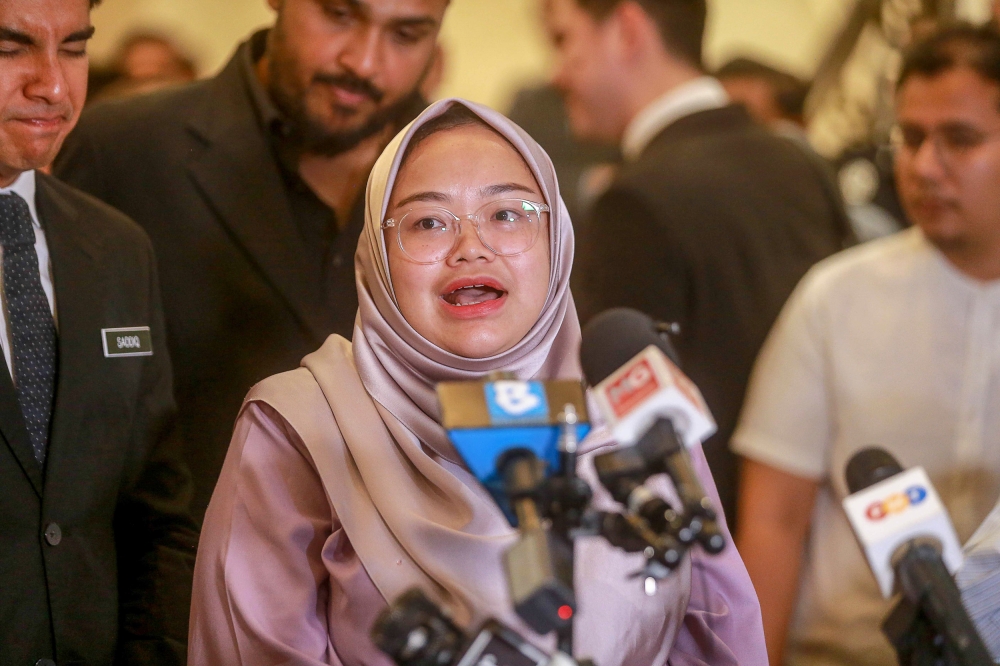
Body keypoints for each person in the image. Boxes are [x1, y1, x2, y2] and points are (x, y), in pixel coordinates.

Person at [187, 99, 768, 666]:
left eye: (508, 214)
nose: (471, 248)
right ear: (376, 257)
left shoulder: (635, 408)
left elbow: (719, 636)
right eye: (429, 222)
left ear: (557, 241)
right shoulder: (302, 425)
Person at [54, 0, 448, 521]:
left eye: (406, 34)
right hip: (175, 581)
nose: (365, 62)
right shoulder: (122, 150)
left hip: (400, 586)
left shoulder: (474, 185)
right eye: (339, 15)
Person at [732, 24, 1000, 666]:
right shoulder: (835, 297)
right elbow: (773, 522)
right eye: (910, 138)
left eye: (959, 140)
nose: (924, 166)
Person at [543, 0, 853, 527]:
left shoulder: (635, 201)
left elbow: (626, 436)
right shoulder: (801, 163)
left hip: (713, 547)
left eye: (564, 39)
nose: (556, 74)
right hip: (822, 531)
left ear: (628, 29)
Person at [0, 0, 198, 664]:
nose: (53, 85)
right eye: (10, 49)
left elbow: (157, 509)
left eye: (76, 48)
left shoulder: (117, 248)